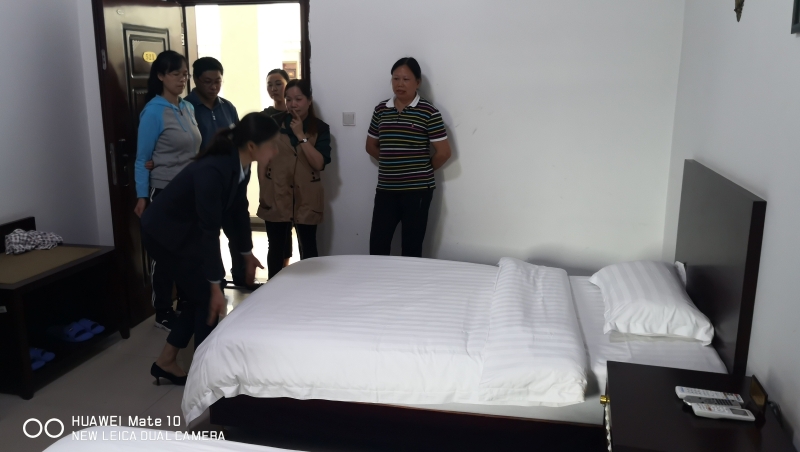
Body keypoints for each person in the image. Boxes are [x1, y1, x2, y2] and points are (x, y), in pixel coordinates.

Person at [145, 112, 278, 385]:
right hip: (164, 234)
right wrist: (216, 284)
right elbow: (209, 232)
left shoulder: (241, 164)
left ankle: (167, 361)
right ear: (252, 146)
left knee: (199, 297)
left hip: (186, 230)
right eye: (272, 145)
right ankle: (204, 377)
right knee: (207, 298)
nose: (276, 151)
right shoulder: (213, 170)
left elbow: (238, 210)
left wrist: (246, 253)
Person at [134, 50, 201, 331]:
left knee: (189, 250)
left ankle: (186, 303)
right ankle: (162, 311)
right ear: (161, 76)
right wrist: (141, 196)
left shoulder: (187, 107)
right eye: (175, 74)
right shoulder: (153, 112)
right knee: (165, 254)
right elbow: (142, 159)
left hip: (189, 191)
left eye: (185, 74)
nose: (182, 79)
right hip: (164, 193)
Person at [366, 57, 452, 257]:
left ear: (417, 82)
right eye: (395, 79)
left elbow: (444, 152)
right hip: (386, 190)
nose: (400, 84)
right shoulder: (381, 110)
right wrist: (390, 162)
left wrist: (420, 169)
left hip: (417, 192)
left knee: (411, 249)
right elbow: (370, 146)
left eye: (406, 79)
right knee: (377, 246)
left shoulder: (429, 112)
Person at [185, 57, 255, 290]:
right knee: (209, 234)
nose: (214, 86)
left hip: (231, 182)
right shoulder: (187, 108)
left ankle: (243, 278)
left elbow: (239, 140)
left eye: (218, 81)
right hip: (205, 184)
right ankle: (215, 282)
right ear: (195, 80)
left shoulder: (228, 107)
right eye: (208, 81)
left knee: (238, 230)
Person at [257, 79, 332, 279]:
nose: (293, 104)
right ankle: (274, 290)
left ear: (309, 100)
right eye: (289, 99)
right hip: (277, 193)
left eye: (298, 99)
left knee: (308, 247)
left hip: (307, 196)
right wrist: (264, 189)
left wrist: (301, 135)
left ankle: (310, 288)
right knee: (276, 248)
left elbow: (319, 163)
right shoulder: (273, 124)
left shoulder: (320, 128)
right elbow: (262, 160)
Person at [260, 69, 293, 269]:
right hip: (274, 183)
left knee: (290, 236)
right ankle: (275, 280)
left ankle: (287, 274)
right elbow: (261, 158)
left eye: (278, 83)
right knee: (276, 240)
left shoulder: (297, 114)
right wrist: (263, 187)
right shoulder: (265, 117)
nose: (273, 88)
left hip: (296, 184)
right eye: (270, 85)